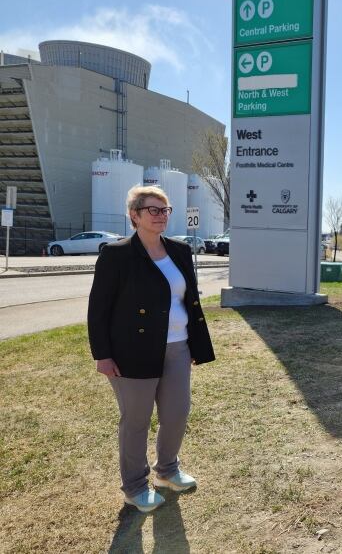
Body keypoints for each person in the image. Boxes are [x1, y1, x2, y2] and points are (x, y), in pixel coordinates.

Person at [88, 185, 215, 513]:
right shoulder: (116, 255)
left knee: (177, 413)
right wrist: (102, 355)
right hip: (132, 350)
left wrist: (195, 347)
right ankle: (133, 486)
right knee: (136, 420)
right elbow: (98, 309)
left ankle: (167, 471)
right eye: (153, 210)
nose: (161, 216)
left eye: (165, 209)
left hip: (178, 347)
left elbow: (189, 299)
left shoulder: (179, 251)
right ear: (134, 215)